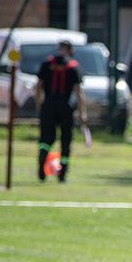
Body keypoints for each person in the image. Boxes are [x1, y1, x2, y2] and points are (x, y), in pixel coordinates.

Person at [35, 40, 87, 182]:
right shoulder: (73, 67)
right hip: (66, 107)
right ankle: (62, 174)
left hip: (48, 106)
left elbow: (38, 86)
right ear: (70, 51)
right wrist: (83, 112)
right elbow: (79, 93)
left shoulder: (47, 65)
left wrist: (39, 105)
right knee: (65, 141)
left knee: (46, 139)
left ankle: (41, 162)